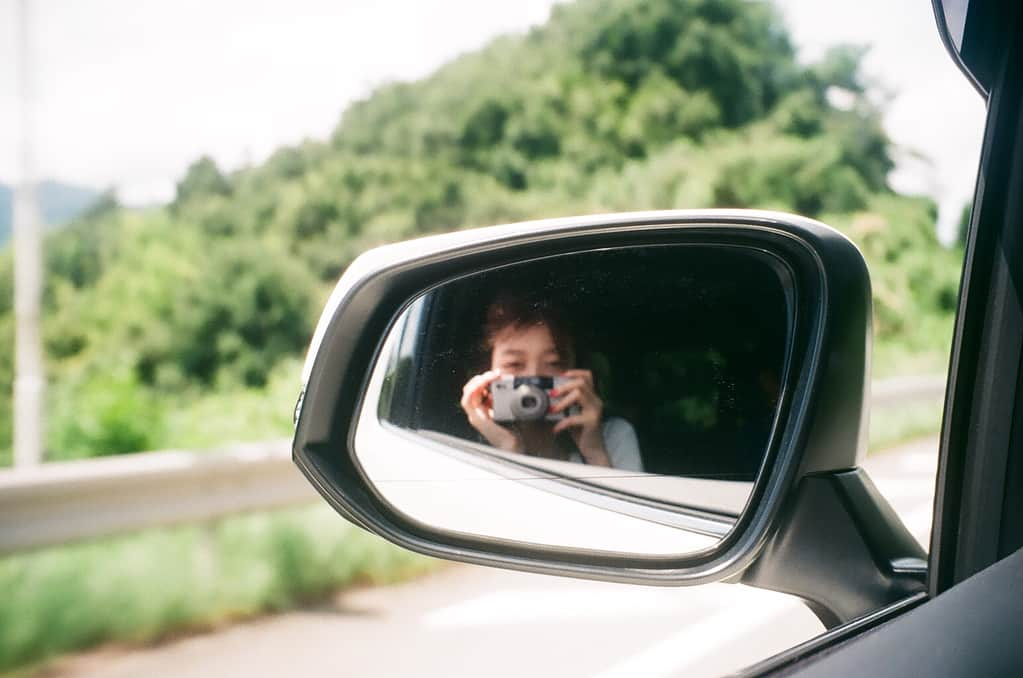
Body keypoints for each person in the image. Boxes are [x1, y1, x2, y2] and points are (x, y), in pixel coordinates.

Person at [460, 295, 643, 472]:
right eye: (514, 364)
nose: (533, 378)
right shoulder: (461, 446)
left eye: (554, 363)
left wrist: (595, 454)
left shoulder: (613, 436)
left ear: (578, 370)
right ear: (486, 372)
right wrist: (508, 449)